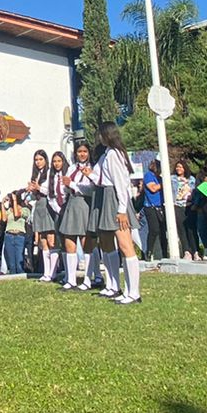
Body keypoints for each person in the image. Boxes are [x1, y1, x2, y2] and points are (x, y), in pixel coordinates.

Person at [93, 122, 142, 303]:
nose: (99, 138)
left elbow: (121, 183)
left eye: (101, 134)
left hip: (115, 199)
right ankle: (125, 289)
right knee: (118, 245)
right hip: (108, 196)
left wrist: (122, 210)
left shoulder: (114, 154)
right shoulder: (107, 154)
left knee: (125, 245)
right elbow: (98, 177)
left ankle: (134, 292)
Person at [59, 141, 96, 291]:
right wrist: (67, 186)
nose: (82, 154)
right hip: (71, 203)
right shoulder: (72, 168)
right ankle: (71, 279)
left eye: (84, 151)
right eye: (79, 151)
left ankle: (88, 279)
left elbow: (90, 188)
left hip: (84, 204)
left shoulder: (92, 168)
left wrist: (73, 184)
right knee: (69, 240)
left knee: (86, 242)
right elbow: (66, 186)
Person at [26, 150, 60, 280]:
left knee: (51, 240)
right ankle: (46, 273)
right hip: (39, 205)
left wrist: (38, 188)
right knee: (43, 240)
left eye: (40, 159)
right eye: (36, 160)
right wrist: (31, 191)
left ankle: (53, 272)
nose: (38, 162)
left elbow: (51, 190)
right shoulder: (36, 174)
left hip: (48, 204)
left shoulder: (50, 173)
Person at [169, 160, 197, 260]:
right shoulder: (172, 179)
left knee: (191, 229)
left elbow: (194, 192)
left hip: (189, 206)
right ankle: (186, 251)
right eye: (177, 167)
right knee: (181, 229)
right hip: (177, 205)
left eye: (180, 167)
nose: (178, 169)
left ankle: (195, 251)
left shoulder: (191, 179)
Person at [140, 160, 166, 259]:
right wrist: (164, 183)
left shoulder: (159, 178)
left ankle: (164, 253)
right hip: (150, 206)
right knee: (154, 229)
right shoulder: (148, 176)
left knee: (162, 231)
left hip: (161, 206)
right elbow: (153, 188)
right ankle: (149, 251)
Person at [1, 191, 29, 274]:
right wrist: (2, 204)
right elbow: (4, 219)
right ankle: (12, 275)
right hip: (9, 235)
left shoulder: (25, 210)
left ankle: (20, 275)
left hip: (19, 236)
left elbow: (17, 215)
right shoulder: (9, 210)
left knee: (19, 259)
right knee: (11, 262)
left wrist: (15, 201)